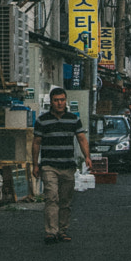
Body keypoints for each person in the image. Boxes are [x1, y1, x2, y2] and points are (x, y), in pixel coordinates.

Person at [31, 87, 92, 244]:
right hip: (49, 165)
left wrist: (87, 157)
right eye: (56, 100)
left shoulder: (73, 119)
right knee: (51, 197)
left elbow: (81, 139)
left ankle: (62, 230)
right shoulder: (42, 121)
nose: (59, 103)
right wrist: (35, 164)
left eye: (62, 100)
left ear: (65, 101)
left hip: (67, 166)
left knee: (65, 200)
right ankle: (51, 231)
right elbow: (36, 142)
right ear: (51, 102)